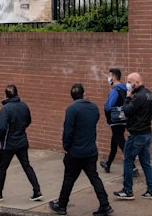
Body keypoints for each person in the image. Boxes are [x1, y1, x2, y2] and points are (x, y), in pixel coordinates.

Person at [49, 83, 113, 216]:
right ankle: (105, 205)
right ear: (84, 94)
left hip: (75, 152)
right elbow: (95, 120)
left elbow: (68, 131)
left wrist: (66, 147)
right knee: (95, 178)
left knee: (69, 179)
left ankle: (62, 205)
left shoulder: (72, 109)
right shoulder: (93, 107)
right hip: (90, 151)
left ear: (72, 96)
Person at [0, 85, 42, 203]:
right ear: (16, 93)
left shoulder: (6, 109)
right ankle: (37, 191)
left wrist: (0, 139)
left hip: (8, 144)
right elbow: (28, 121)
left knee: (2, 168)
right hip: (22, 142)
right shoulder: (24, 106)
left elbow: (1, 128)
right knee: (27, 166)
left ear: (6, 95)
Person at [113, 72, 152, 201]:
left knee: (128, 161)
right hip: (147, 133)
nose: (127, 84)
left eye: (129, 82)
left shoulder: (138, 96)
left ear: (136, 83)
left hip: (137, 134)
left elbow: (126, 110)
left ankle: (127, 190)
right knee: (145, 163)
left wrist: (127, 97)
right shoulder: (150, 94)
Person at [101, 68, 138, 175]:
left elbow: (109, 106)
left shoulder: (115, 90)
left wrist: (106, 106)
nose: (108, 78)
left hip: (115, 120)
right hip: (123, 119)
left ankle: (133, 168)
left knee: (122, 143)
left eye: (109, 76)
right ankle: (108, 164)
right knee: (115, 142)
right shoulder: (124, 88)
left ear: (112, 77)